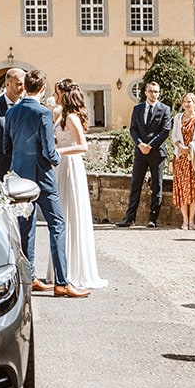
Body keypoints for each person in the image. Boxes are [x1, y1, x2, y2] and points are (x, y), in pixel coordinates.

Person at [5, 70, 86, 297]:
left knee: (25, 227)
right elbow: (51, 153)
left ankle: (28, 278)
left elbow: (6, 148)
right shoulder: (43, 113)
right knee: (57, 225)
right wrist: (58, 158)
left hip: (20, 177)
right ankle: (62, 282)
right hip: (43, 177)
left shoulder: (11, 112)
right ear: (42, 89)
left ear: (26, 87)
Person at [55, 81, 107, 289]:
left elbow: (82, 146)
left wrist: (59, 152)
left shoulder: (72, 117)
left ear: (65, 95)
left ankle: (75, 270)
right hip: (60, 167)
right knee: (62, 214)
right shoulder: (60, 116)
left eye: (57, 92)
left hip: (70, 166)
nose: (55, 95)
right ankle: (61, 268)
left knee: (71, 213)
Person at [116, 79, 173, 228]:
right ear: (145, 92)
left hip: (157, 153)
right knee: (135, 185)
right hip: (140, 152)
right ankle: (129, 218)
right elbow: (133, 129)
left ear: (159, 93)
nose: (153, 94)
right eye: (151, 91)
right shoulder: (138, 108)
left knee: (157, 186)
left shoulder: (165, 109)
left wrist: (150, 145)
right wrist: (140, 144)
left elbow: (165, 131)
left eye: (156, 92)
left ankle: (152, 219)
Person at [171, 91, 195, 230]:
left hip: (194, 157)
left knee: (194, 188)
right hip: (181, 157)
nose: (188, 104)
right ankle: (184, 220)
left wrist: (191, 147)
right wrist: (180, 146)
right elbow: (174, 136)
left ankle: (192, 220)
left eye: (190, 101)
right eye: (185, 101)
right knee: (182, 188)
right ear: (182, 104)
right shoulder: (177, 118)